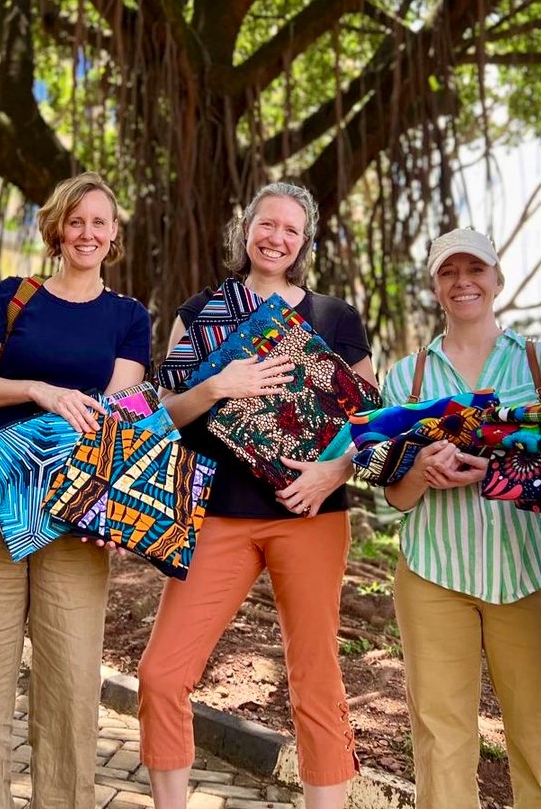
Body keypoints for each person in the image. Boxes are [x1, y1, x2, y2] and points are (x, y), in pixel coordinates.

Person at [138, 182, 374, 809]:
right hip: (219, 514)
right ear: (245, 228)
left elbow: (370, 428)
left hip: (312, 515)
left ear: (305, 243)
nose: (276, 238)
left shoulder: (335, 318)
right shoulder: (202, 310)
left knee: (316, 680)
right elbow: (165, 412)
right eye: (266, 224)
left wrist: (332, 474)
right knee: (161, 674)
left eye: (291, 230)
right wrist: (216, 384)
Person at [0, 172, 151, 809]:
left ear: (114, 235)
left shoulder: (128, 317)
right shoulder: (15, 297)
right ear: (57, 230)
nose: (87, 232)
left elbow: (117, 409)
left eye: (100, 222)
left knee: (70, 679)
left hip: (76, 507)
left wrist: (119, 505)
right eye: (76, 221)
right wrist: (37, 390)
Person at [379, 228, 541, 809]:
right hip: (433, 574)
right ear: (435, 287)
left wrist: (506, 461)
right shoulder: (407, 377)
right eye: (449, 272)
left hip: (532, 572)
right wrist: (422, 471)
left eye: (475, 270)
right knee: (441, 741)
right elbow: (394, 496)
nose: (463, 282)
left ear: (497, 279)